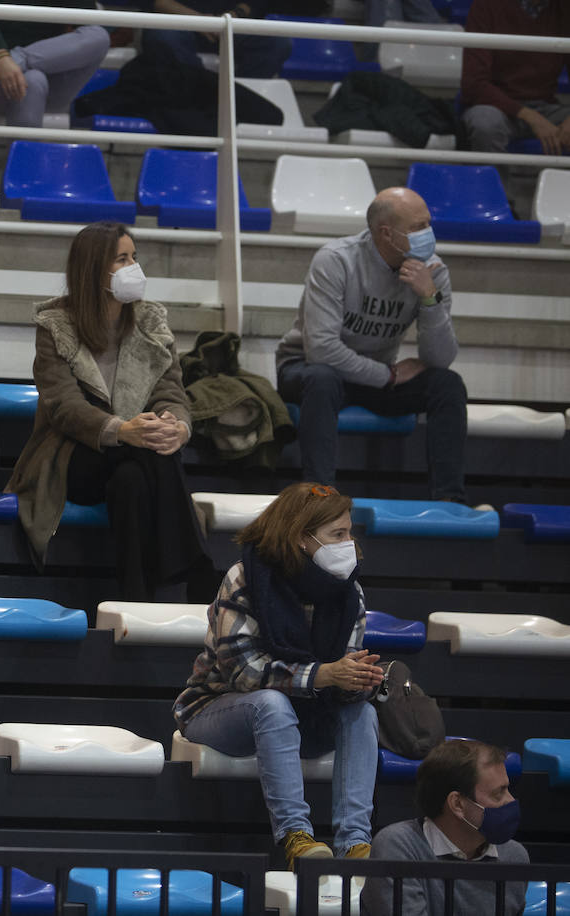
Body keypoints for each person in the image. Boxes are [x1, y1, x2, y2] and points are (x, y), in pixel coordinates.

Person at [174, 482, 384, 871]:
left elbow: (339, 678)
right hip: (218, 708)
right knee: (271, 704)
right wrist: (323, 675)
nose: (349, 544)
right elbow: (242, 672)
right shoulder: (246, 578)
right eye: (338, 535)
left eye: (349, 533)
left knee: (363, 713)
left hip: (306, 713)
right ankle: (295, 837)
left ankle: (356, 842)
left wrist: (358, 682)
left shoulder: (349, 592)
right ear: (302, 538)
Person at [6, 221, 210, 601]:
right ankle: (197, 568)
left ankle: (135, 599)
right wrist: (122, 430)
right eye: (122, 259)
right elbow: (64, 406)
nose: (134, 267)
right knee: (145, 451)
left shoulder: (150, 321)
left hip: (133, 460)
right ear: (93, 269)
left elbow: (170, 390)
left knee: (132, 480)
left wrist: (176, 425)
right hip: (73, 455)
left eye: (134, 257)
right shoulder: (56, 325)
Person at [275, 187, 468, 502]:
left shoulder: (432, 271)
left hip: (373, 375)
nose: (428, 234)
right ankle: (320, 500)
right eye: (418, 227)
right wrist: (388, 376)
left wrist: (429, 297)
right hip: (305, 367)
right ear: (386, 233)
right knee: (323, 378)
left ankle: (450, 502)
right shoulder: (337, 260)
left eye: (428, 224)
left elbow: (440, 358)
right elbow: (322, 349)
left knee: (447, 384)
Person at [362, 739, 529, 915]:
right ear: (457, 804)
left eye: (508, 790)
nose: (510, 800)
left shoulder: (513, 856)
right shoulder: (399, 848)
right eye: (498, 793)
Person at [0, 0, 110, 128]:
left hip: (47, 80)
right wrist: (0, 56)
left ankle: (17, 59)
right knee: (33, 79)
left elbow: (90, 25)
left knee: (99, 35)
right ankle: (24, 155)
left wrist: (8, 60)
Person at [460, 0, 570, 154]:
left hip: (546, 106)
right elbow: (473, 84)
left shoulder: (565, 8)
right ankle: (494, 171)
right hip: (496, 106)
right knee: (485, 123)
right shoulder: (487, 5)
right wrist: (531, 117)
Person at [139, 0, 293, 79]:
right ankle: (197, 94)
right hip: (176, 22)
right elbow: (156, 2)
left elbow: (253, 4)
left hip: (230, 25)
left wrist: (230, 18)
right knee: (163, 37)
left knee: (277, 42)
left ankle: (241, 97)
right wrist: (198, 20)